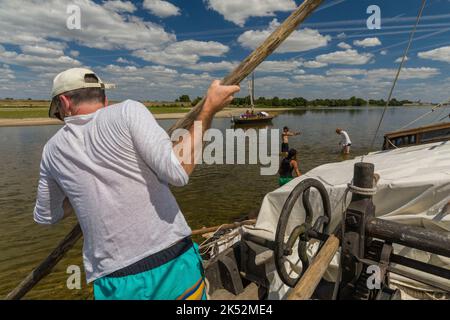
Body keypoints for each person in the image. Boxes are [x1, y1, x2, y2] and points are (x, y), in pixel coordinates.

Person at [32, 68, 240, 300]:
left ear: (64, 102)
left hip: (113, 277)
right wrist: (208, 109)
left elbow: (46, 215)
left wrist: (80, 190)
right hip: (170, 260)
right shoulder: (128, 110)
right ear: (104, 98)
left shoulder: (51, 150)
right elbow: (178, 171)